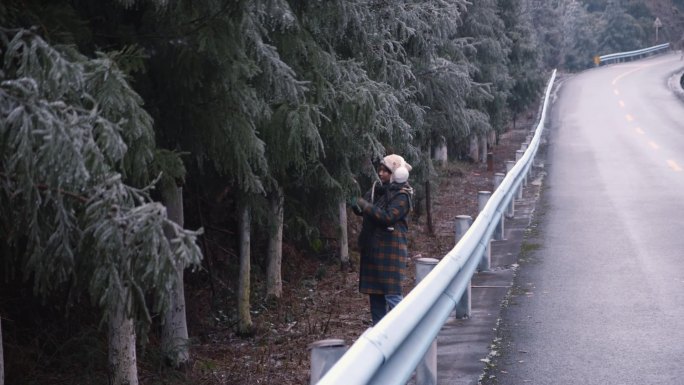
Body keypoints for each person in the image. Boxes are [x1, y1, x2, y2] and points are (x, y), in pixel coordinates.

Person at [349, 154, 414, 325]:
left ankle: (406, 330)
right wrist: (354, 199)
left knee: (393, 296)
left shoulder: (402, 195)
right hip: (373, 250)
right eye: (381, 170)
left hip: (390, 253)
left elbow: (387, 217)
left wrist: (365, 205)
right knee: (376, 295)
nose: (381, 173)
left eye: (386, 171)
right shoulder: (378, 190)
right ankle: (381, 336)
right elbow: (361, 210)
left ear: (397, 173)